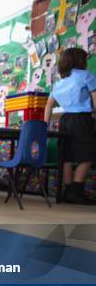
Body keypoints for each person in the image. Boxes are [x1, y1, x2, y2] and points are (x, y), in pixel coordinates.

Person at [44, 47, 96, 205]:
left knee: (66, 155)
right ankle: (76, 189)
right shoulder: (87, 75)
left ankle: (67, 190)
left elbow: (49, 105)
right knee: (89, 154)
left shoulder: (59, 83)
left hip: (65, 121)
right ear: (80, 61)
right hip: (82, 120)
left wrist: (45, 126)